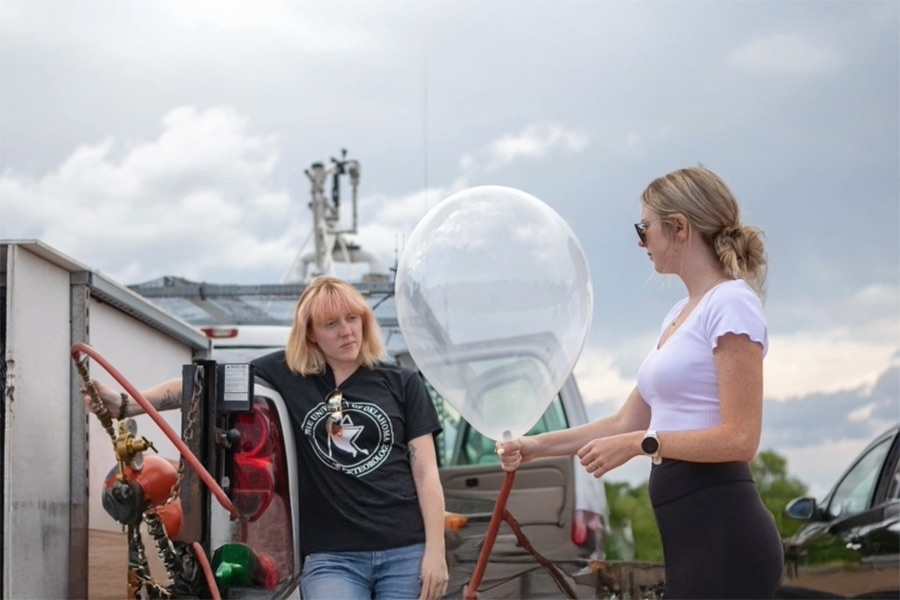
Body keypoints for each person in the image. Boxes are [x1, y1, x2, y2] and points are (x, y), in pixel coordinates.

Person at [497, 166, 783, 599]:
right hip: (690, 535)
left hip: (725, 531)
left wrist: (642, 444)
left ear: (680, 228)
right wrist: (535, 447)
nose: (640, 240)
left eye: (644, 227)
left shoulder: (732, 304)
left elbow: (741, 439)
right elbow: (623, 422)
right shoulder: (678, 315)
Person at [87, 276, 449, 600]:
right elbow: (201, 387)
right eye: (332, 324)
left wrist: (436, 552)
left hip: (405, 549)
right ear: (310, 333)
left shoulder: (402, 383)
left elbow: (426, 474)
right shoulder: (287, 375)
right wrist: (125, 404)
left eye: (353, 319)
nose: (346, 331)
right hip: (331, 557)